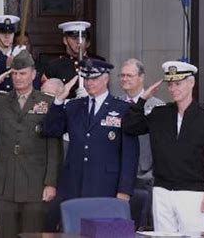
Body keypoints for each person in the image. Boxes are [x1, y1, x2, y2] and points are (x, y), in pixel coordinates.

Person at [0, 50, 62, 238]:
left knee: (32, 234)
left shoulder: (47, 102)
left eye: (23, 73)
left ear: (33, 74)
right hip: (5, 181)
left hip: (35, 182)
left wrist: (51, 183)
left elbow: (54, 146)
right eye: (14, 73)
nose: (18, 77)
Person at [123, 61, 204, 233]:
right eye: (170, 84)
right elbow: (130, 127)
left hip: (192, 193)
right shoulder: (159, 113)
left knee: (192, 236)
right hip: (162, 191)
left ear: (191, 83)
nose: (173, 89)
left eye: (178, 84)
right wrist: (142, 100)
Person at [41, 58, 139, 230]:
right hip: (74, 186)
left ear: (106, 79)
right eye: (86, 79)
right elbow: (50, 130)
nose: (89, 83)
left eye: (93, 78)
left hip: (106, 186)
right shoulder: (73, 107)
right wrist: (58, 102)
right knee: (74, 231)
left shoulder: (123, 109)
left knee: (105, 232)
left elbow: (130, 154)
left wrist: (124, 190)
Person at [119, 58, 163, 228]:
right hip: (122, 176)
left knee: (147, 226)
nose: (125, 79)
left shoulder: (157, 107)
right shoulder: (116, 104)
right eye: (122, 75)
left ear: (141, 77)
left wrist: (152, 174)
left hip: (146, 176)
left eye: (129, 75)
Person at [44, 21, 104, 99]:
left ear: (87, 42)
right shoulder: (54, 66)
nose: (78, 42)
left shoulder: (98, 63)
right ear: (65, 41)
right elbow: (46, 95)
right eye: (74, 38)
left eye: (82, 37)